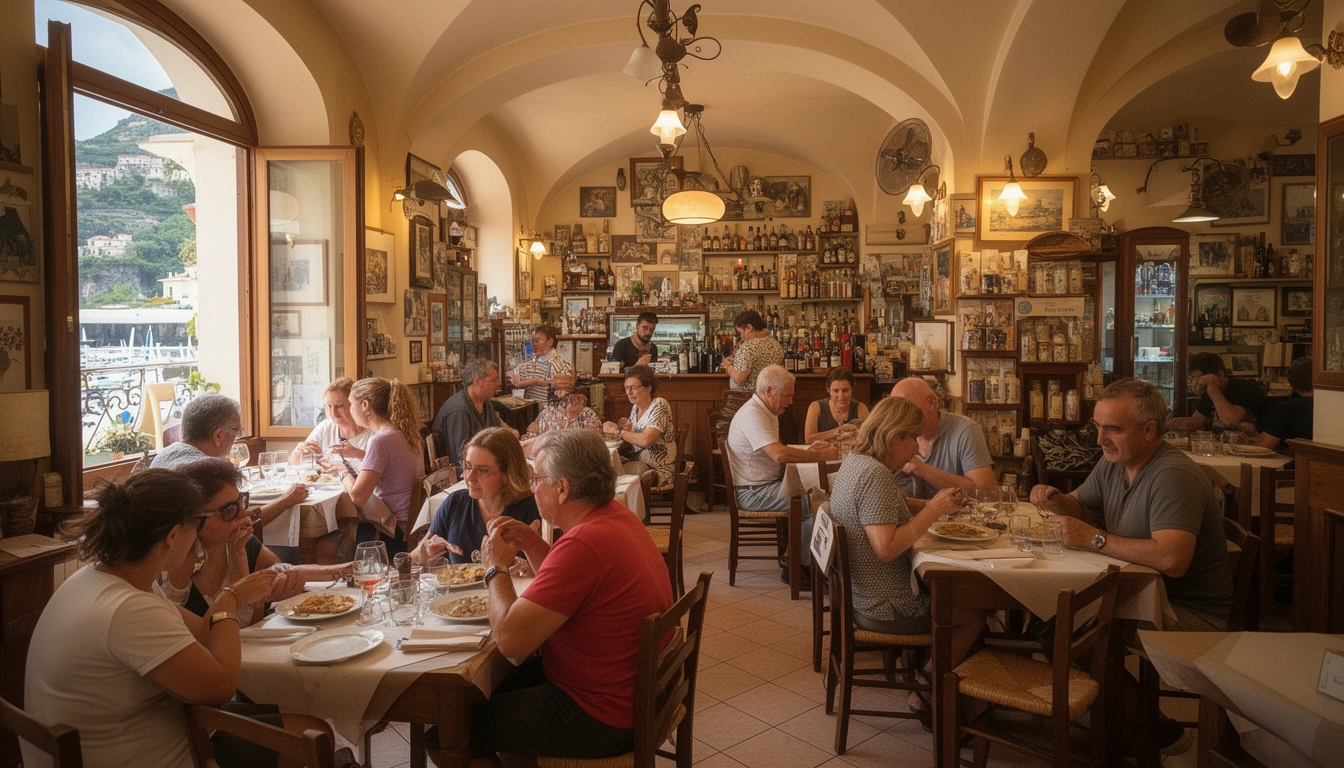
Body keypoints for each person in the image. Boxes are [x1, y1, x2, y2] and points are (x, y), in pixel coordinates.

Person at [23, 470, 349, 768]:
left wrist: (233, 592)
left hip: (125, 736)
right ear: (173, 535)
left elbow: (205, 634)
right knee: (312, 731)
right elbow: (220, 687)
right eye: (195, 526)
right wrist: (230, 597)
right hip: (155, 754)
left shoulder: (104, 578)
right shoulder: (127, 609)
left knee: (288, 716)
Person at [426, 429, 671, 761]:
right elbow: (564, 588)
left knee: (447, 733)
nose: (531, 488)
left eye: (536, 479)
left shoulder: (583, 544)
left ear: (562, 488)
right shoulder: (615, 518)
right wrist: (532, 543)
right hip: (626, 690)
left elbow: (511, 641)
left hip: (599, 714)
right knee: (473, 692)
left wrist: (494, 567)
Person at [1030, 378, 1232, 630]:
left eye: (1113, 429)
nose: (1100, 439)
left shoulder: (1172, 475)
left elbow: (1172, 559)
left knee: (1059, 620)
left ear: (1149, 430)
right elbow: (1079, 507)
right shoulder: (1115, 462)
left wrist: (1093, 538)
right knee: (1049, 614)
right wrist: (1053, 499)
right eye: (1098, 427)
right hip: (1133, 591)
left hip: (1184, 613)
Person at [827, 396, 983, 717]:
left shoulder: (857, 462)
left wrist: (935, 506)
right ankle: (926, 692)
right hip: (886, 605)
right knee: (974, 615)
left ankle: (941, 681)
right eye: (913, 437)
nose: (918, 447)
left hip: (860, 595)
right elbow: (886, 548)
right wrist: (936, 509)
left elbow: (886, 509)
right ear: (894, 436)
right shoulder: (874, 475)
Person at [161, 460, 352, 626]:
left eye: (241, 501)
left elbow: (276, 573)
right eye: (229, 510)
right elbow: (229, 631)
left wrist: (345, 570)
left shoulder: (236, 539)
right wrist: (242, 568)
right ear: (194, 519)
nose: (244, 514)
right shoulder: (178, 561)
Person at [727, 364, 839, 587]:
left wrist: (812, 451)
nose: (790, 401)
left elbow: (776, 449)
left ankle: (801, 558)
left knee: (817, 494)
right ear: (769, 391)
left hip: (763, 485)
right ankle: (798, 568)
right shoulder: (753, 415)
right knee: (817, 504)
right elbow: (778, 455)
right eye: (787, 396)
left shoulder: (766, 411)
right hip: (752, 493)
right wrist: (821, 456)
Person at [149, 393, 307, 529]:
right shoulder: (209, 471)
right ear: (218, 436)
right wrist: (287, 500)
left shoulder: (163, 455)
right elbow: (243, 524)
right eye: (237, 431)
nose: (236, 438)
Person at [321, 377, 424, 556]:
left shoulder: (380, 440)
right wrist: (361, 454)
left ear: (365, 405)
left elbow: (358, 496)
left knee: (328, 541)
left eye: (351, 404)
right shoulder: (403, 431)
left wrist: (342, 470)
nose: (351, 411)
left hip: (392, 530)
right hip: (414, 522)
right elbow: (394, 465)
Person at [412, 427, 540, 567]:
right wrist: (424, 552)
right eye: (467, 466)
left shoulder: (531, 509)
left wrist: (527, 568)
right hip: (460, 589)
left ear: (508, 474)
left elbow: (546, 572)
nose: (470, 477)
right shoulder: (454, 504)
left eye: (482, 470)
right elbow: (413, 560)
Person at [889, 376, 998, 502]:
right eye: (895, 410)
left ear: (931, 402)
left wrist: (919, 468)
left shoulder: (965, 430)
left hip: (960, 519)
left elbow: (987, 493)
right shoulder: (894, 435)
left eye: (905, 408)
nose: (898, 417)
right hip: (915, 518)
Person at [433, 358, 514, 471]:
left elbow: (496, 433)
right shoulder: (459, 410)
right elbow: (461, 456)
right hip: (463, 472)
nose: (498, 384)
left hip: (482, 463)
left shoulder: (486, 403)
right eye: (494, 380)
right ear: (478, 382)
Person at [602, 364, 676, 486]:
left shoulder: (660, 405)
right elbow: (633, 442)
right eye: (626, 388)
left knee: (609, 477)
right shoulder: (635, 408)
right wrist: (625, 430)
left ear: (648, 388)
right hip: (639, 461)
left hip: (657, 470)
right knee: (605, 468)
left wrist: (617, 431)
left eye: (634, 388)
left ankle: (625, 504)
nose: (629, 392)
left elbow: (646, 440)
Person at [1166, 352, 1265, 433]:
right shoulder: (1208, 393)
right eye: (1193, 378)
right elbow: (1194, 422)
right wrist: (1164, 426)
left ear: (1219, 374)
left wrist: (1213, 388)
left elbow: (1231, 421)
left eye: (1201, 378)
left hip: (1251, 448)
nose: (1196, 383)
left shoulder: (1246, 387)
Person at [289, 377, 372, 463]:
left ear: (354, 404)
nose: (333, 413)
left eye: (340, 406)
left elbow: (382, 467)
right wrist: (299, 452)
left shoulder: (372, 432)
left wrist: (359, 454)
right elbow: (296, 462)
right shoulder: (326, 426)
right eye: (329, 406)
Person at [1251, 356, 1313, 452]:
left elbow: (1265, 445)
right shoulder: (1333, 404)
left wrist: (1250, 432)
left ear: (1292, 384)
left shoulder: (1288, 408)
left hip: (1297, 463)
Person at [509, 324, 574, 401]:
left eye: (538, 341)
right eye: (533, 341)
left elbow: (567, 388)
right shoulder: (531, 360)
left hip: (550, 410)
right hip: (531, 409)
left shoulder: (561, 363)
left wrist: (533, 382)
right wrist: (515, 376)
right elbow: (514, 373)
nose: (533, 344)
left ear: (550, 342)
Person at [804, 367, 870, 443]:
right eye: (836, 391)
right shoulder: (816, 407)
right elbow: (808, 439)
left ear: (852, 389)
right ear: (828, 389)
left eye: (845, 390)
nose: (841, 396)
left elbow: (868, 438)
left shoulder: (860, 408)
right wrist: (838, 431)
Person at [723, 309, 783, 391]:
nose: (741, 336)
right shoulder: (776, 345)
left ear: (749, 327)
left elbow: (740, 378)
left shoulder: (748, 347)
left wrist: (728, 367)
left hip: (748, 399)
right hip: (770, 396)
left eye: (740, 332)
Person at [524, 386, 603, 437]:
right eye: (567, 395)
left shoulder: (589, 414)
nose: (571, 398)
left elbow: (598, 440)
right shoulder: (547, 414)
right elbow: (531, 437)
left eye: (574, 394)